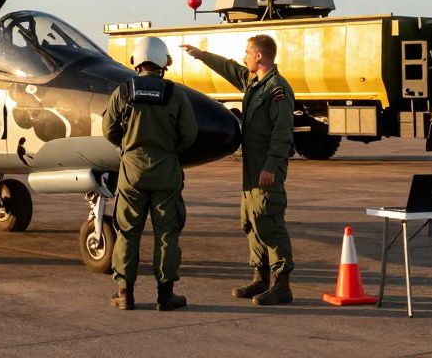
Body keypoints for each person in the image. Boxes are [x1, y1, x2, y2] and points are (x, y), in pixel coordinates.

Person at [179, 35, 296, 305]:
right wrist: (202, 55)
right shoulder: (254, 82)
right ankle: (260, 278)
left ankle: (282, 285)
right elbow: (230, 68)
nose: (244, 58)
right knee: (251, 221)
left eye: (247, 53)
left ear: (259, 56)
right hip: (252, 168)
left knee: (269, 222)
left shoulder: (277, 89)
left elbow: (283, 133)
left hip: (266, 168)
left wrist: (271, 166)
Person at [104, 36, 198, 311]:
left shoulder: (123, 92)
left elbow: (109, 131)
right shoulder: (176, 94)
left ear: (136, 61)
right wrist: (169, 151)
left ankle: (124, 294)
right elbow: (189, 134)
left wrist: (129, 147)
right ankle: (165, 296)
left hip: (132, 173)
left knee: (127, 233)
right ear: (164, 62)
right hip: (166, 172)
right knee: (167, 233)